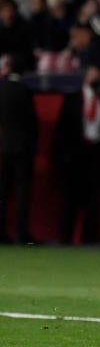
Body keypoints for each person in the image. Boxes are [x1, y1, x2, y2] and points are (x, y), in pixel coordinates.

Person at [53, 65, 100, 243]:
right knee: (70, 197)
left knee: (93, 198)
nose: (96, 79)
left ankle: (89, 238)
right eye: (93, 75)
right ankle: (66, 237)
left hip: (96, 153)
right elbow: (62, 129)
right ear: (85, 77)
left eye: (99, 76)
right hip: (75, 153)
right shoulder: (73, 98)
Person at [0, 56, 38, 243]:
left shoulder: (2, 89)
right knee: (22, 192)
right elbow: (32, 122)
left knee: (4, 191)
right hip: (23, 148)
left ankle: (1, 232)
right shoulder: (25, 91)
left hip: (5, 146)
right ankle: (21, 233)